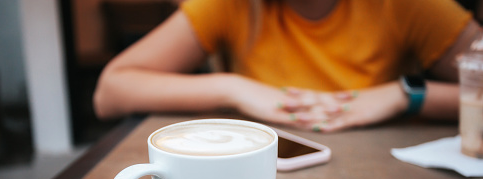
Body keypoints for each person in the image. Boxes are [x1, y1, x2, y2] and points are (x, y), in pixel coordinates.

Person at [93, 0, 482, 132]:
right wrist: (232, 87)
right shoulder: (234, 5)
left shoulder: (407, 6)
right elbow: (110, 92)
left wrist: (406, 94)